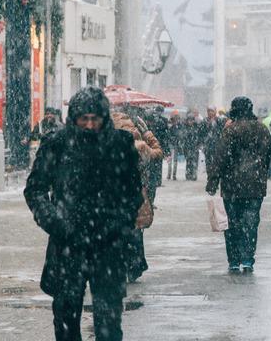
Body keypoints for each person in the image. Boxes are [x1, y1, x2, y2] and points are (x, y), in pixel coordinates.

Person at [24, 87, 144, 341]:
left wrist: (118, 223)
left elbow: (133, 193)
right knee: (66, 321)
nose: (89, 125)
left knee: (109, 323)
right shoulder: (56, 144)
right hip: (68, 244)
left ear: (104, 118)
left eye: (95, 119)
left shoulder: (120, 144)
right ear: (74, 118)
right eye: (83, 119)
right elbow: (35, 190)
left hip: (108, 245)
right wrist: (57, 224)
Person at [206, 97, 271, 273]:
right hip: (255, 185)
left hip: (232, 185)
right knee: (251, 223)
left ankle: (234, 260)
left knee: (232, 223)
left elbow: (221, 157)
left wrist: (213, 180)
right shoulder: (262, 129)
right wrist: (261, 171)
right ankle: (248, 259)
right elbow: (267, 155)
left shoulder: (230, 130)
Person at [111, 110, 162, 283]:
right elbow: (158, 153)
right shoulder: (140, 146)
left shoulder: (105, 146)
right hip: (136, 194)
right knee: (135, 231)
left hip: (112, 194)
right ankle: (135, 265)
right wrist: (148, 134)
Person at [144, 105, 170, 203]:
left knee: (151, 179)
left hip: (151, 155)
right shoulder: (159, 124)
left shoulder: (147, 129)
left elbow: (162, 140)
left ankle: (149, 201)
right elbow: (164, 139)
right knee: (152, 179)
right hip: (152, 155)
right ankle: (150, 201)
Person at [202, 107, 226, 180]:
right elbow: (202, 132)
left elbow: (222, 131)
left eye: (212, 111)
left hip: (216, 145)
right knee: (208, 162)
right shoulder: (205, 121)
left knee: (216, 162)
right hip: (208, 145)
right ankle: (210, 176)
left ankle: (215, 177)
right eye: (209, 111)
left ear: (215, 112)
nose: (210, 113)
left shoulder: (219, 120)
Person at [181, 111, 203, 181]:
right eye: (189, 120)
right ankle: (188, 174)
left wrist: (199, 144)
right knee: (189, 161)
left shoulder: (197, 127)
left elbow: (200, 136)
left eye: (191, 120)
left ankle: (194, 174)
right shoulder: (185, 127)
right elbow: (183, 137)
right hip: (187, 147)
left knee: (194, 162)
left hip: (194, 147)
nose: (190, 122)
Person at [166, 112, 182, 181]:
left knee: (173, 160)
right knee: (172, 160)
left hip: (174, 144)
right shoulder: (173, 126)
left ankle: (172, 175)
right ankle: (171, 175)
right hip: (173, 143)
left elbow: (180, 134)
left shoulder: (177, 126)